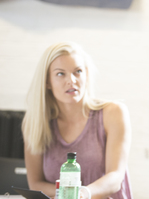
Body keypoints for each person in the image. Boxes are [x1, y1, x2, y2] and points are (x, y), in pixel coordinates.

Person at [22, 41, 132, 199]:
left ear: (86, 75)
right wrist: (69, 195)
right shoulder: (35, 123)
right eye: (61, 74)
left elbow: (115, 178)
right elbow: (35, 184)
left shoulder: (113, 113)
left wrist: (83, 194)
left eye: (78, 71)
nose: (71, 80)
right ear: (47, 81)